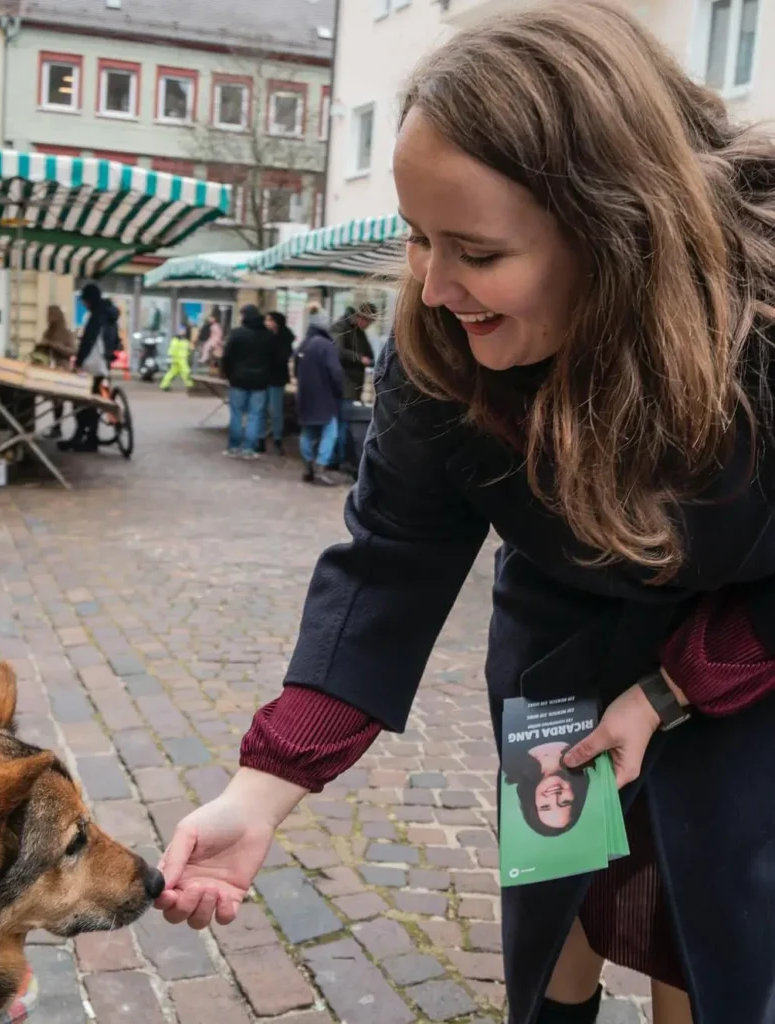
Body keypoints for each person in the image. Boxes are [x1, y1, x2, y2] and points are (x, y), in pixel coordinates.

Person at [154, 4, 775, 1023]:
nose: (436, 287)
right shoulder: (438, 348)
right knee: (558, 903)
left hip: (744, 660)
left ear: (614, 230)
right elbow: (392, 557)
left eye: (478, 254)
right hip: (561, 654)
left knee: (711, 919)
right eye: (416, 240)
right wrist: (263, 786)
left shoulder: (757, 342)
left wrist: (672, 689)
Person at [60, 283, 119, 453]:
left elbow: (88, 341)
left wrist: (77, 362)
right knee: (94, 401)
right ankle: (86, 435)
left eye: (84, 301)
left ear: (89, 300)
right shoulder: (110, 315)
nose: (83, 304)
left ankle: (86, 437)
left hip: (91, 366)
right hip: (103, 365)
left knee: (83, 401)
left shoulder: (96, 316)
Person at [292, 309, 343, 485]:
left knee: (307, 432)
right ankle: (320, 467)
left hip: (305, 396)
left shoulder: (304, 344)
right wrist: (339, 390)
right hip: (324, 397)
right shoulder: (326, 345)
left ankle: (308, 467)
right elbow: (335, 372)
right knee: (331, 432)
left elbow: (295, 370)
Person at [503, 740, 591, 837]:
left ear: (532, 801)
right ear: (577, 794)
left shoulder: (509, 759)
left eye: (545, 806)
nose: (554, 797)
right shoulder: (585, 746)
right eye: (565, 802)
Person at [221, 305, 272, 459]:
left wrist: (229, 375)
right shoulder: (267, 335)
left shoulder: (237, 334)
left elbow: (227, 357)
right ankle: (250, 448)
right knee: (255, 415)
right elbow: (273, 359)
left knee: (236, 414)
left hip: (238, 380)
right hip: (260, 382)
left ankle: (234, 447)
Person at [330, 303, 377, 466]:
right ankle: (336, 458)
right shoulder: (341, 328)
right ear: (360, 317)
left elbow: (369, 353)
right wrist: (360, 358)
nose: (368, 326)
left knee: (345, 421)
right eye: (368, 322)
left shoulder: (358, 331)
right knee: (341, 422)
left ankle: (341, 457)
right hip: (344, 383)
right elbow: (338, 351)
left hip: (352, 384)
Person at [32, 305, 76, 440]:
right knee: (53, 400)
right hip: (49, 368)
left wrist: (54, 345)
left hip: (62, 368)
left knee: (58, 400)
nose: (48, 318)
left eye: (50, 315)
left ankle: (57, 428)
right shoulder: (48, 332)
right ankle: (53, 427)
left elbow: (72, 351)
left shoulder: (66, 333)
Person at [257, 311, 295, 456]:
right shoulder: (264, 335)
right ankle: (260, 439)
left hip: (277, 378)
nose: (267, 323)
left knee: (275, 411)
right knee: (262, 410)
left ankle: (277, 440)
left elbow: (282, 357)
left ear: (276, 322)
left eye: (269, 320)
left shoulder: (285, 337)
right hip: (264, 377)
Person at [160, 327, 194, 392]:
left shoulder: (183, 339)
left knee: (172, 372)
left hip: (180, 358)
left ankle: (164, 385)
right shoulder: (177, 339)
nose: (182, 332)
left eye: (183, 331)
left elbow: (187, 349)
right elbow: (173, 348)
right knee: (186, 371)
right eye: (181, 331)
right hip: (180, 358)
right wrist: (171, 356)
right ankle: (190, 386)